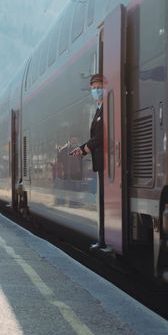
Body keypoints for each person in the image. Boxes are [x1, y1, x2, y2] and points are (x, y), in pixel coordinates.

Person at [70, 73, 110, 251]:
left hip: (106, 162)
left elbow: (101, 136)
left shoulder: (106, 109)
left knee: (103, 201)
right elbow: (96, 137)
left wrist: (85, 148)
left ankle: (103, 240)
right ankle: (102, 239)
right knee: (101, 202)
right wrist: (82, 148)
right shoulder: (99, 110)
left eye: (99, 87)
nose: (96, 91)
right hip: (100, 162)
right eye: (93, 88)